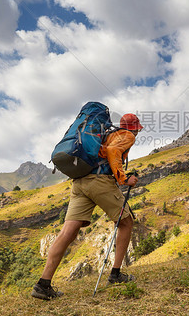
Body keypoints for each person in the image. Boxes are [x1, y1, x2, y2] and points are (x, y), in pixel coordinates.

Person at [31, 113, 143, 300]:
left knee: (67, 232)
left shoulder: (104, 134)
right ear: (134, 128)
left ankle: (43, 284)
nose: (138, 133)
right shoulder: (126, 135)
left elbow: (106, 152)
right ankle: (115, 275)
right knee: (126, 222)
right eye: (138, 129)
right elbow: (114, 151)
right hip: (99, 182)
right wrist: (123, 178)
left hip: (79, 183)